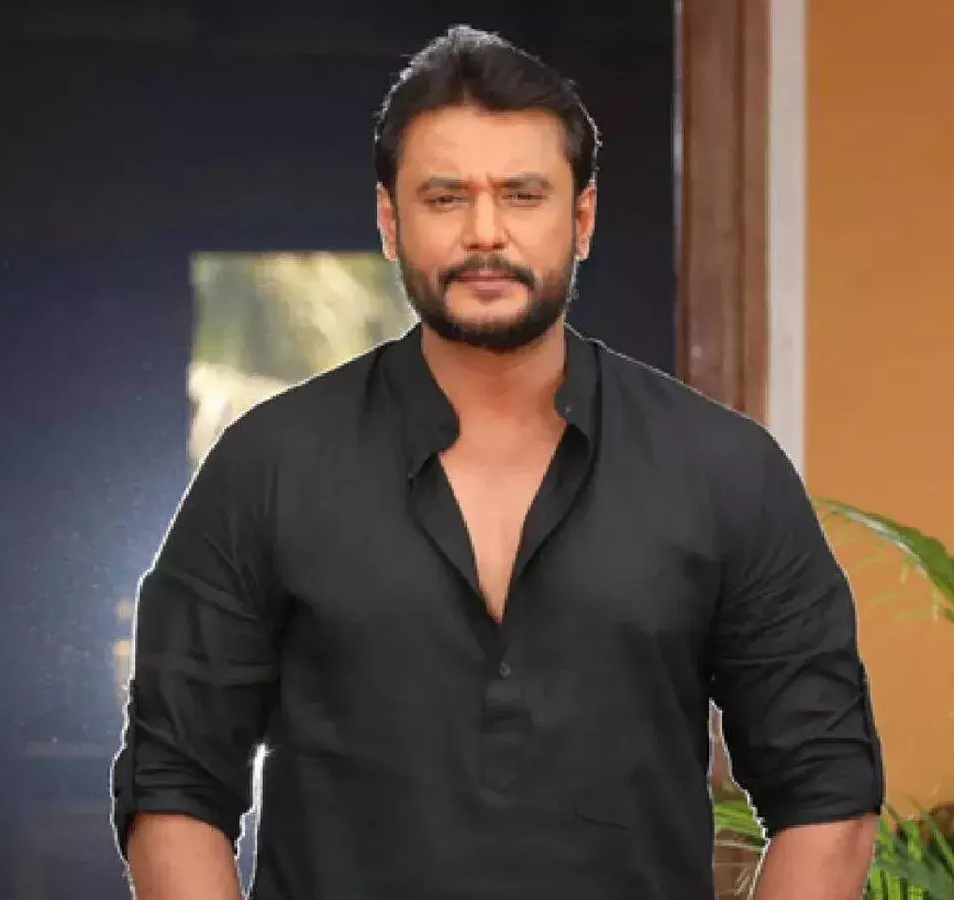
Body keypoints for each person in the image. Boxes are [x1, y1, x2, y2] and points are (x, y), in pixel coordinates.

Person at [112, 24, 883, 900]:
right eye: (445, 198)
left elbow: (828, 795)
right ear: (390, 221)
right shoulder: (268, 465)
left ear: (581, 219)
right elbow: (174, 784)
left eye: (522, 195)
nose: (485, 233)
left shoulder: (724, 469)